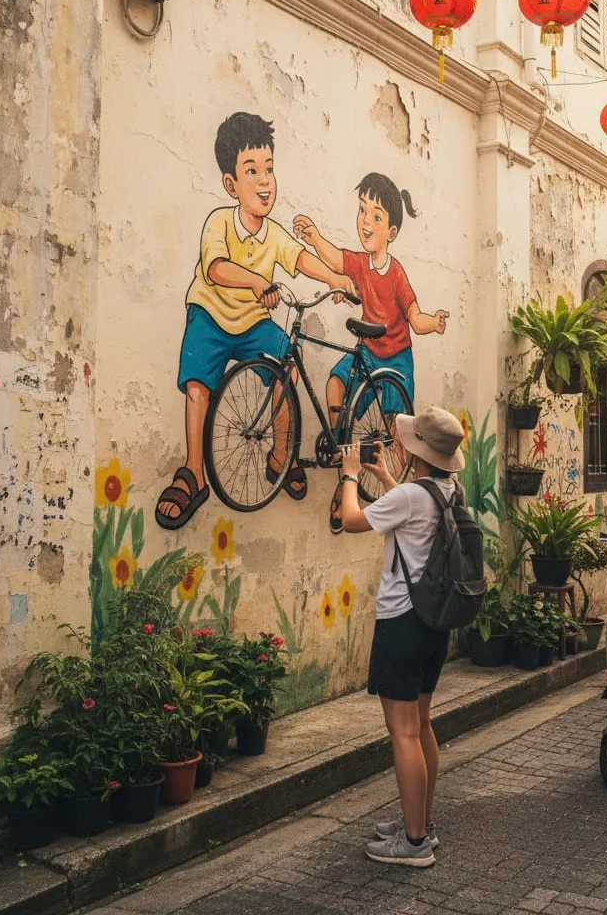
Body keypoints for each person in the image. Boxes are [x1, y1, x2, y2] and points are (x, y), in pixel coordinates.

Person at [156, 112, 354, 530]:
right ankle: (194, 472)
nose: (265, 181)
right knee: (197, 385)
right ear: (231, 185)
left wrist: (335, 276)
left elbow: (299, 259)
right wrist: (257, 281)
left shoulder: (275, 233)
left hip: (250, 323)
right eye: (252, 171)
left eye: (269, 170)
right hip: (210, 314)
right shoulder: (219, 222)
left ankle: (281, 454)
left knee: (287, 363)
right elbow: (216, 269)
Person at [337, 406, 466, 868]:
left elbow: (353, 520)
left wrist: (351, 475)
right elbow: (409, 511)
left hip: (401, 623)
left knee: (403, 732)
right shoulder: (447, 490)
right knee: (422, 724)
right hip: (433, 625)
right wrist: (387, 475)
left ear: (417, 451)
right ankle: (421, 825)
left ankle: (412, 844)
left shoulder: (412, 495)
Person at [292, 173, 449, 533]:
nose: (366, 221)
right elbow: (335, 260)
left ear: (391, 231)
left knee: (396, 432)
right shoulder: (361, 265)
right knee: (335, 382)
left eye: (376, 216)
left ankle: (398, 499)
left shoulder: (395, 274)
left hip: (394, 357)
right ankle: (339, 442)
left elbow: (414, 316)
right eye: (363, 211)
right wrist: (314, 236)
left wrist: (434, 323)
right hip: (368, 350)